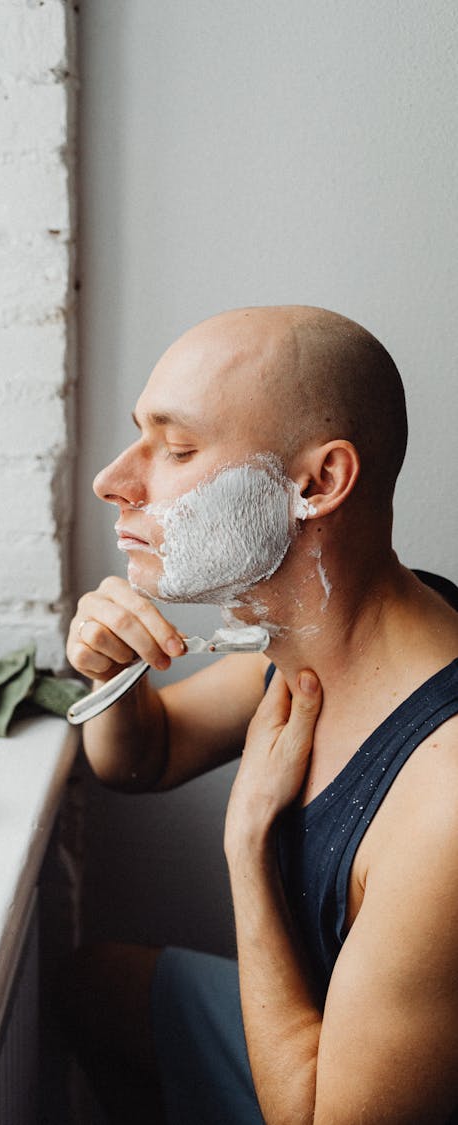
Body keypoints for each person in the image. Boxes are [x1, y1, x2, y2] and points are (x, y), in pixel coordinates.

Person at [63, 306, 458, 1124]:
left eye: (175, 449)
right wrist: (116, 672)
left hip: (334, 1090)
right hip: (314, 1030)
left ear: (318, 483)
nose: (113, 480)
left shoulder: (442, 807)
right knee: (88, 988)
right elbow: (141, 758)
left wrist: (246, 845)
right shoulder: (318, 633)